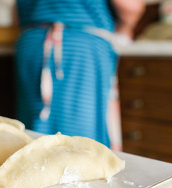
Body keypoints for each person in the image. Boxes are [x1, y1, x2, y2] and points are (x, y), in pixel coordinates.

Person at [14, 0, 145, 148]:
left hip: (31, 42)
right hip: (78, 48)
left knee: (36, 126)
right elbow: (130, 6)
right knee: (78, 135)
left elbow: (16, 15)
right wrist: (124, 29)